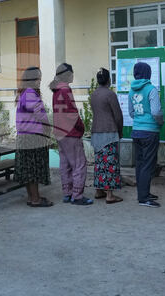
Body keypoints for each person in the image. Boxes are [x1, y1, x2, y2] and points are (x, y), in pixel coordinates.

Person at [51, 63, 92, 205]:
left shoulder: (56, 90)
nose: (73, 75)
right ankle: (78, 195)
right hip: (71, 133)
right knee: (79, 164)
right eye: (72, 73)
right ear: (68, 74)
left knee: (65, 164)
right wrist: (81, 127)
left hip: (60, 132)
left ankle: (67, 193)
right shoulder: (65, 89)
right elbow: (73, 113)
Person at [15, 66, 53, 207]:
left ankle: (32, 197)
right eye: (37, 79)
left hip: (25, 136)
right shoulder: (30, 93)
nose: (39, 81)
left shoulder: (24, 92)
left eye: (39, 79)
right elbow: (41, 115)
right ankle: (35, 199)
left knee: (28, 169)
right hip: (32, 137)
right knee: (33, 170)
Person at [129, 62, 163, 208]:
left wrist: (139, 119)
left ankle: (143, 193)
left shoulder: (132, 90)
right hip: (150, 131)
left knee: (140, 164)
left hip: (136, 130)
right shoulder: (151, 89)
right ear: (148, 73)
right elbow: (156, 112)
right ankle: (144, 197)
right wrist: (160, 122)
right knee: (148, 165)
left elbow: (131, 112)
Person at [89, 68, 124, 204]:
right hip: (109, 131)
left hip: (96, 131)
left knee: (99, 162)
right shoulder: (110, 95)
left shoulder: (93, 95)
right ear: (109, 80)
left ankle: (99, 190)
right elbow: (118, 115)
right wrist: (120, 131)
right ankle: (110, 194)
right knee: (110, 162)